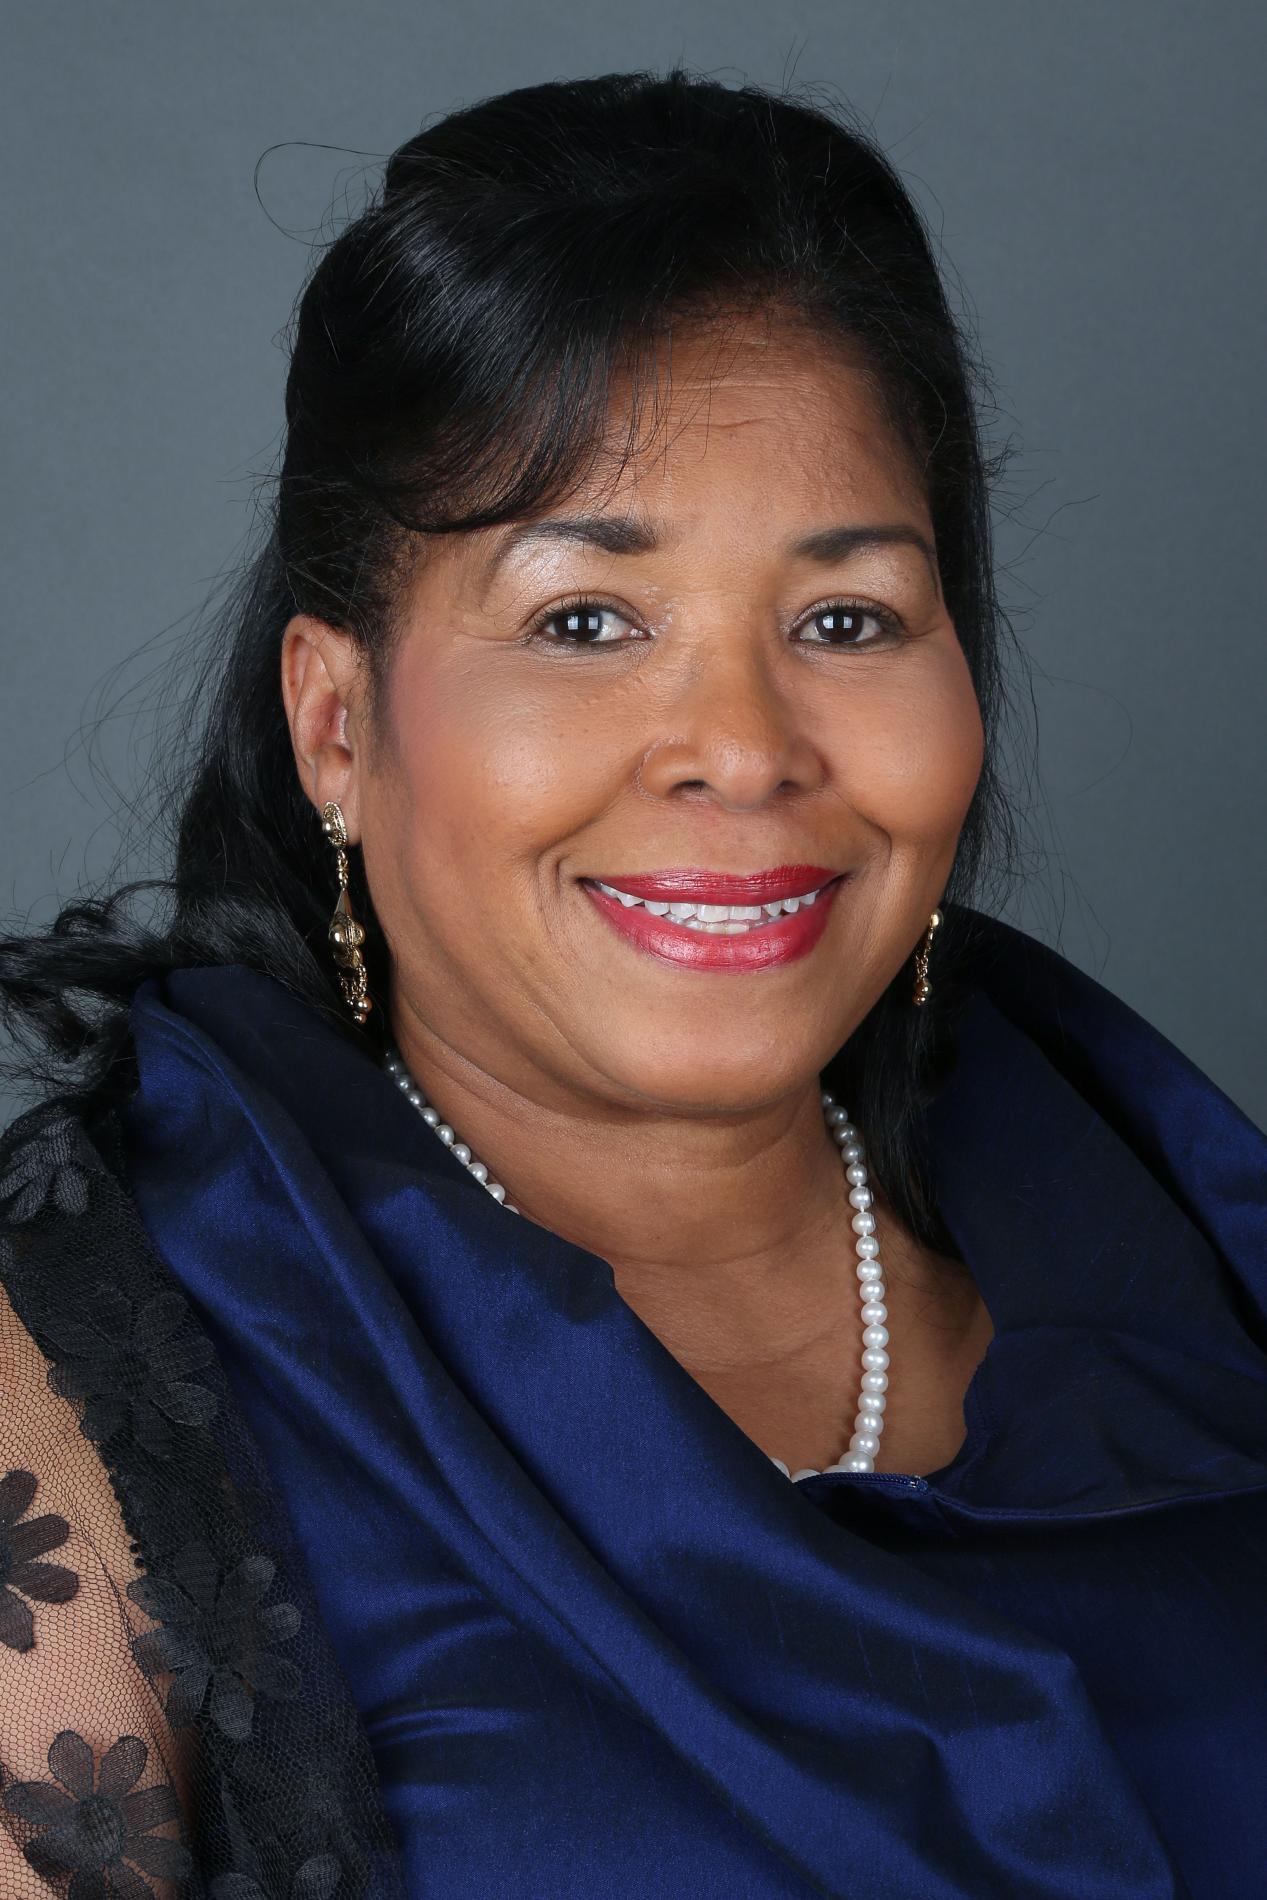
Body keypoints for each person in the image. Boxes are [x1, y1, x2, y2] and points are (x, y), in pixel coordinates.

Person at [1, 65, 1264, 1900]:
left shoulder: (1185, 1241)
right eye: (587, 622)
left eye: (845, 621)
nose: (742, 751)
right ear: (338, 724)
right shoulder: (85, 1392)